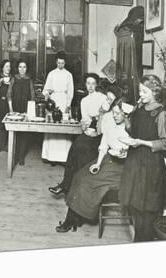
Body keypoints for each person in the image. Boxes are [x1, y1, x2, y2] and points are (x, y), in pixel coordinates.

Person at [56, 99, 133, 232]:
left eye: (117, 113)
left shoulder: (131, 131)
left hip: (122, 168)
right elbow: (103, 146)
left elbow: (135, 153)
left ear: (125, 115)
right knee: (79, 176)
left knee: (87, 182)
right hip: (107, 160)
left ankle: (71, 220)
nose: (114, 116)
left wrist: (126, 154)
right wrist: (97, 163)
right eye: (113, 112)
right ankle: (76, 218)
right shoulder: (111, 126)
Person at [118, 75, 166, 242]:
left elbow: (165, 143)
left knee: (147, 211)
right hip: (135, 162)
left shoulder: (161, 113)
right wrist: (126, 119)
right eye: (140, 90)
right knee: (135, 207)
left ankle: (142, 243)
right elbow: (133, 132)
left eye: (144, 91)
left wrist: (141, 142)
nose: (140, 94)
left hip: (151, 165)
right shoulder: (140, 108)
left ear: (154, 92)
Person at [48, 73, 106, 196]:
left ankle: (74, 188)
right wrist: (86, 126)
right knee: (75, 147)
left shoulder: (102, 97)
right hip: (90, 131)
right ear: (85, 84)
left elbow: (104, 118)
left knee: (82, 148)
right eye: (88, 83)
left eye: (93, 84)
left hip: (102, 133)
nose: (90, 86)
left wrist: (96, 124)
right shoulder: (84, 101)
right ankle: (66, 185)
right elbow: (85, 121)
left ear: (96, 85)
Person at [41, 51, 74, 163]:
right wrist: (47, 93)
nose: (60, 65)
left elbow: (70, 92)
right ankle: (50, 157)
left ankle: (63, 158)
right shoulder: (51, 74)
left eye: (62, 63)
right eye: (59, 63)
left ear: (65, 63)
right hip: (53, 101)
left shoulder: (69, 75)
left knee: (63, 127)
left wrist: (68, 106)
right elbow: (45, 90)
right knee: (52, 127)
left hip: (64, 100)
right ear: (56, 62)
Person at [8, 59, 35, 165]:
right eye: (20, 67)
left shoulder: (29, 80)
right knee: (15, 132)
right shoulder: (14, 78)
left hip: (25, 109)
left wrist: (30, 112)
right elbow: (9, 94)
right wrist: (11, 110)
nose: (22, 69)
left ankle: (21, 157)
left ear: (26, 68)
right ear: (17, 68)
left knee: (24, 133)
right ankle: (14, 156)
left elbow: (32, 96)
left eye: (24, 67)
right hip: (15, 109)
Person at [0, 60, 14, 155]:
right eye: (6, 66)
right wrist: (0, 83)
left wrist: (11, 108)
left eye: (9, 66)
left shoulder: (12, 78)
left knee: (7, 125)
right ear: (2, 68)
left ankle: (5, 146)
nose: (8, 68)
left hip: (7, 103)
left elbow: (11, 93)